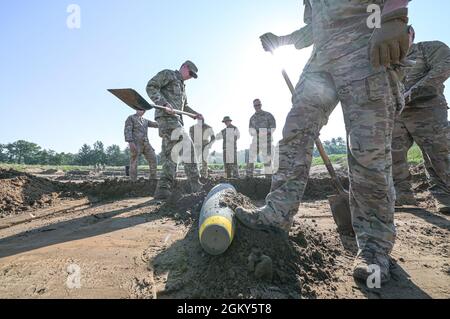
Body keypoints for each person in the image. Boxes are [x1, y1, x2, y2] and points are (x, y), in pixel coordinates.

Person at [236, 0, 411, 284]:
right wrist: (281, 41)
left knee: (367, 150)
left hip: (366, 45)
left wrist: (394, 16)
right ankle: (277, 213)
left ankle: (373, 248)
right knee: (294, 134)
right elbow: (313, 30)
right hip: (322, 60)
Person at [392, 26, 450, 214]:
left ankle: (445, 198)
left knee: (438, 154)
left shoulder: (428, 49)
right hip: (398, 114)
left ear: (411, 35)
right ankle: (402, 197)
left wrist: (413, 91)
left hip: (428, 111)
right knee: (394, 155)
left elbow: (445, 65)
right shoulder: (389, 61)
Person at [146, 61, 204, 200]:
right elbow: (151, 86)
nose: (190, 77)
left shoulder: (183, 87)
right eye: (190, 73)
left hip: (176, 120)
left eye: (193, 76)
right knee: (187, 146)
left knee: (170, 155)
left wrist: (195, 114)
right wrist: (164, 103)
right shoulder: (169, 74)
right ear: (184, 67)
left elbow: (184, 107)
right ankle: (195, 185)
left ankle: (163, 189)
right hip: (166, 118)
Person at [124, 110, 159, 181]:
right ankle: (133, 181)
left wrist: (164, 121)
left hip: (146, 143)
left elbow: (155, 125)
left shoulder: (145, 120)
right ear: (136, 109)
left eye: (144, 110)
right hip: (136, 144)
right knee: (134, 162)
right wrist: (130, 142)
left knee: (153, 158)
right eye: (141, 109)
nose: (142, 111)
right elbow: (127, 130)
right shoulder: (131, 118)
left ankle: (153, 178)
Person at [247, 99, 277, 178]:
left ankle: (268, 179)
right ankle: (249, 179)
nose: (257, 107)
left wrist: (265, 132)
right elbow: (250, 130)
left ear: (261, 105)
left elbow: (273, 127)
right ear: (253, 106)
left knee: (267, 161)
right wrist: (254, 132)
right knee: (250, 159)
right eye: (255, 105)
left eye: (258, 105)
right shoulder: (252, 118)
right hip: (256, 141)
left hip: (266, 141)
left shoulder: (268, 115)